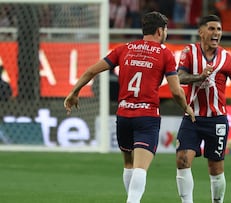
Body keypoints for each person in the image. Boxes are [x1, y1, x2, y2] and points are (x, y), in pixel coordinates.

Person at [64, 11, 195, 203]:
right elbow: (176, 91)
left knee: (128, 164)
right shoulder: (165, 53)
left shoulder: (124, 48)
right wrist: (187, 107)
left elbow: (91, 70)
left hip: (123, 115)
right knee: (140, 167)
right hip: (146, 117)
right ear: (160, 31)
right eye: (165, 30)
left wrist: (74, 92)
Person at [175, 14, 231, 203]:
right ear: (201, 32)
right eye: (212, 29)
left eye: (219, 29)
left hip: (217, 120)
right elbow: (179, 77)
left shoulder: (227, 58)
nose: (216, 33)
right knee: (182, 160)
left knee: (215, 167)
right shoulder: (189, 52)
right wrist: (199, 76)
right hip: (192, 118)